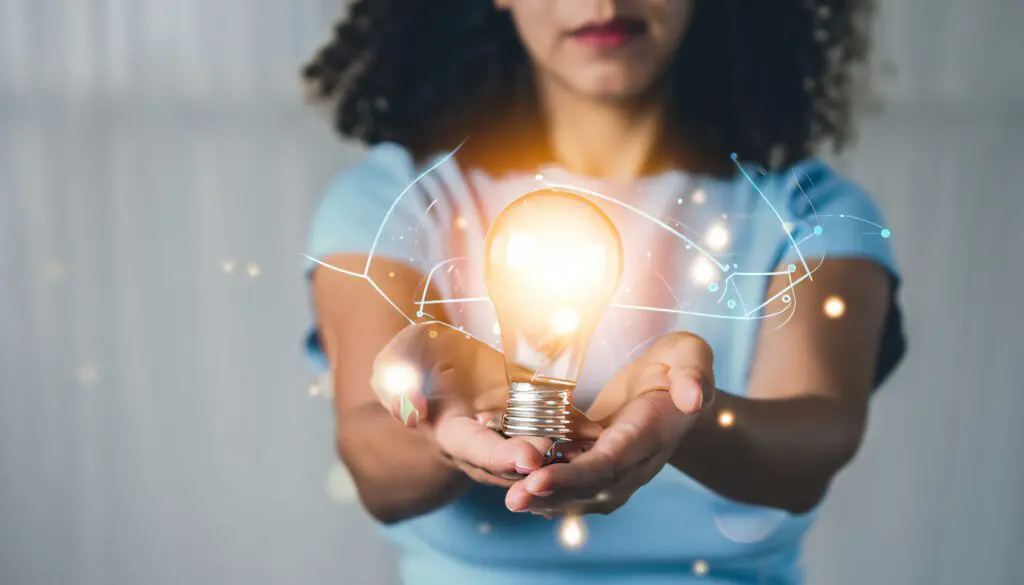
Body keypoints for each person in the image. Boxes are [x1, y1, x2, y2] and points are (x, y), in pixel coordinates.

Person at [301, 1, 905, 583]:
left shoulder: (809, 216)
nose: (604, 0)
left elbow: (813, 447)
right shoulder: (396, 202)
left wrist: (688, 418)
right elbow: (372, 459)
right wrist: (445, 423)